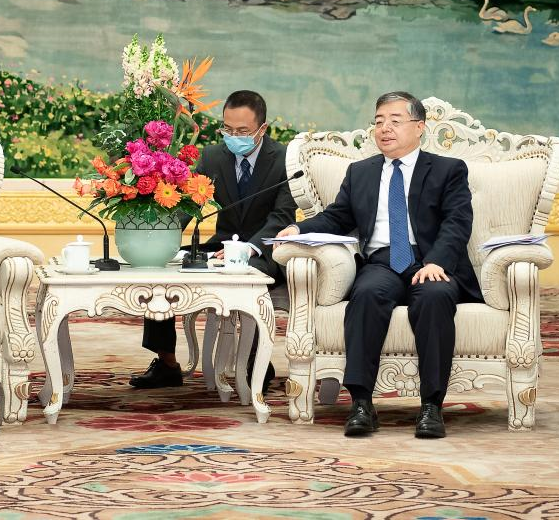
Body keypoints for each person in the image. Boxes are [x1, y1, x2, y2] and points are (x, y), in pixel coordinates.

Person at [275, 91, 479, 439]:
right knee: (366, 294)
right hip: (382, 262)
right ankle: (361, 403)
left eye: (395, 121)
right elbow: (338, 217)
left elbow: (457, 222)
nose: (385, 129)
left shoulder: (448, 170)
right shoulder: (361, 172)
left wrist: (436, 262)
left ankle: (431, 406)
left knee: (434, 297)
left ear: (419, 127)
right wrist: (299, 229)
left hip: (430, 261)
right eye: (379, 121)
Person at [131, 90, 298, 390]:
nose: (233, 137)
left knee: (250, 272)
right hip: (221, 245)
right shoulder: (212, 156)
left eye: (242, 131)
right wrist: (160, 236)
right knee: (160, 269)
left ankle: (255, 360)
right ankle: (167, 363)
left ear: (262, 129)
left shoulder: (284, 159)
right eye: (227, 129)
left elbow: (282, 216)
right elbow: (188, 203)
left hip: (265, 250)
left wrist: (249, 248)